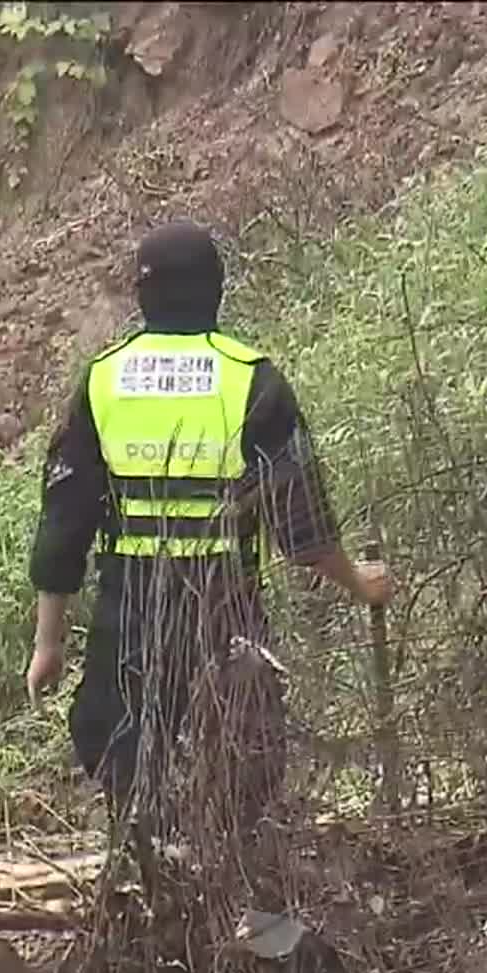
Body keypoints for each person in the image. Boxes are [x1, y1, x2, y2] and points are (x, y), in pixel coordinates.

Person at [23, 219, 395, 831]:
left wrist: (49, 643)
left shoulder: (103, 379)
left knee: (124, 760)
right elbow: (301, 526)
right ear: (215, 290)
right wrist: (360, 583)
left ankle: (145, 872)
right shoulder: (251, 377)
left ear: (142, 294)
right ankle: (229, 877)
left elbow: (64, 521)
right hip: (225, 607)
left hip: (130, 611)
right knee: (243, 760)